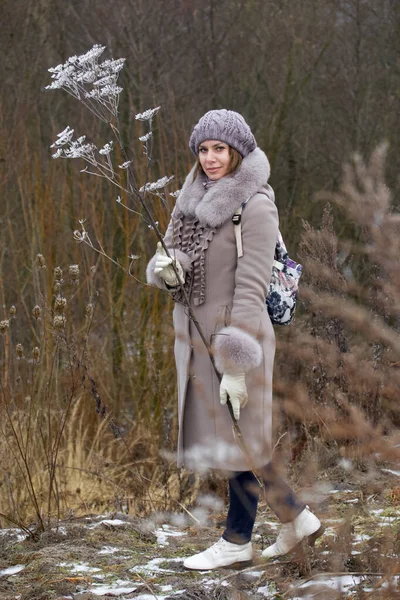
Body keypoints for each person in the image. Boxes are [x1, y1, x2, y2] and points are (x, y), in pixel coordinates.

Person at [146, 109, 323, 570]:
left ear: (238, 150)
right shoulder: (188, 201)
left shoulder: (256, 205)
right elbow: (175, 259)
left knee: (240, 439)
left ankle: (236, 539)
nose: (210, 158)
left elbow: (249, 291)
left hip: (234, 336)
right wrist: (166, 272)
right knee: (236, 437)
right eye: (203, 149)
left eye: (219, 149)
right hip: (197, 336)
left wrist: (237, 365)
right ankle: (295, 519)